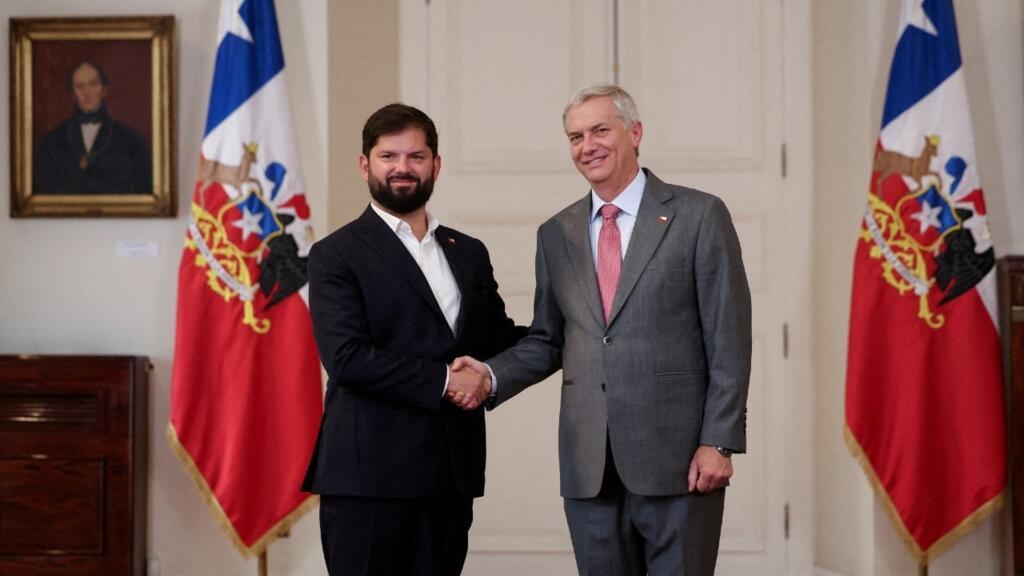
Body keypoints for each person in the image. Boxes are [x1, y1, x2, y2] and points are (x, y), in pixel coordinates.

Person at [453, 85, 752, 575]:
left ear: (635, 133)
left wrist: (719, 441)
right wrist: (489, 374)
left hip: (680, 463)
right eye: (575, 137)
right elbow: (549, 340)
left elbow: (729, 339)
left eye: (599, 131)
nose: (587, 146)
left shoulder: (699, 216)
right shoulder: (556, 233)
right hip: (589, 469)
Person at [301, 103, 525, 576]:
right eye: (388, 156)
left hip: (449, 477)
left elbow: (497, 339)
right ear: (365, 165)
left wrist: (575, 330)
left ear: (435, 165)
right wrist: (447, 381)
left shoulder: (468, 252)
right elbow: (347, 358)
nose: (402, 167)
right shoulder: (335, 255)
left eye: (416, 156)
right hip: (367, 482)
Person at [34, 61, 151, 195]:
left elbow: (143, 191)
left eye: (93, 84)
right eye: (80, 86)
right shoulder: (52, 141)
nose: (87, 92)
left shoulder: (131, 140)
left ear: (104, 90)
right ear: (73, 95)